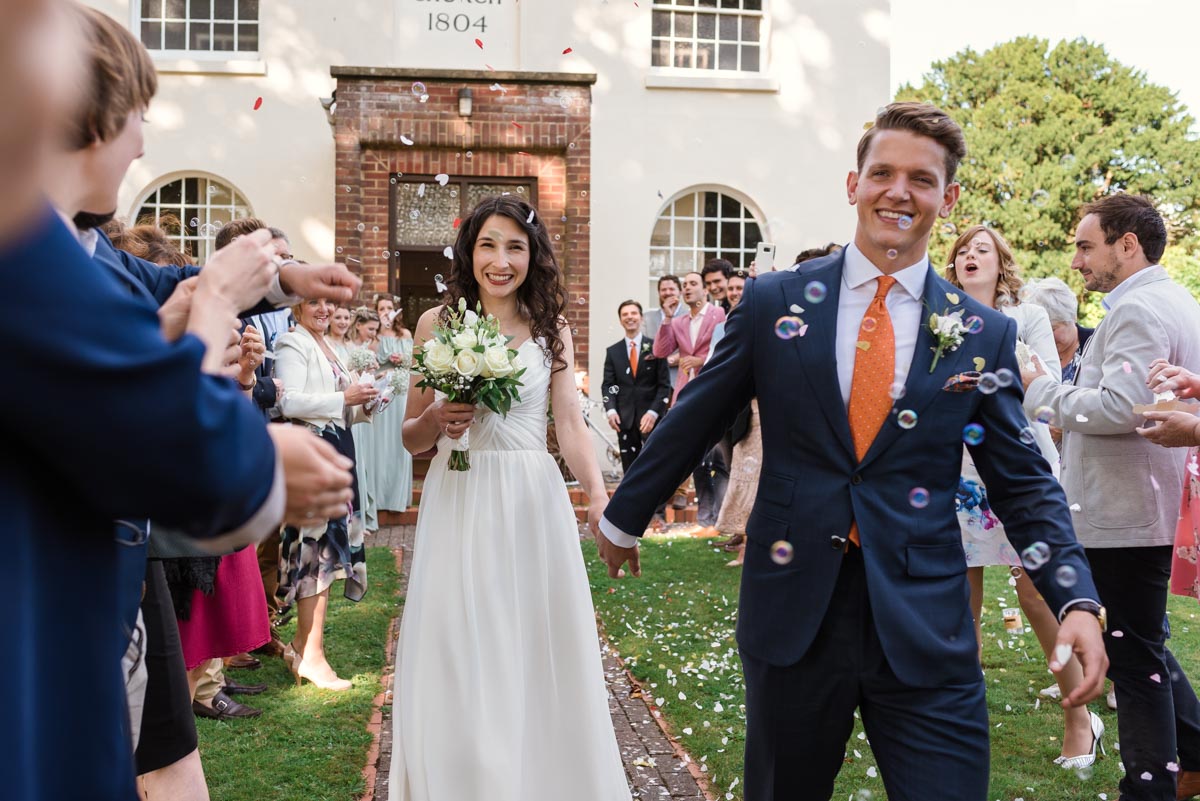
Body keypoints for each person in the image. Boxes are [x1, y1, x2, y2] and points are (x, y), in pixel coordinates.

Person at [599, 102, 1107, 801]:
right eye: (883, 173)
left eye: (922, 179)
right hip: (794, 611)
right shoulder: (775, 301)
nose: (899, 191)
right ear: (853, 184)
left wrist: (1075, 594)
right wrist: (624, 515)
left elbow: (1021, 479)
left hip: (926, 615)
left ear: (947, 197)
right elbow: (698, 413)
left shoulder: (979, 332)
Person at [1, 4, 354, 797]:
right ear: (83, 110)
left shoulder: (60, 251)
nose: (144, 144)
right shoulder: (26, 250)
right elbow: (191, 456)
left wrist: (267, 284)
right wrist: (215, 323)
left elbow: (154, 303)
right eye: (137, 117)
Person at [390, 195, 630, 800]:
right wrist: (440, 415)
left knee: (529, 637)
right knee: (458, 639)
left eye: (515, 247)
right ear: (469, 253)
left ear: (534, 256)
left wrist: (599, 497)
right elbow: (411, 437)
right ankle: (468, 777)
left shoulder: (552, 329)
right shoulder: (434, 327)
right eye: (488, 245)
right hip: (460, 494)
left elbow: (570, 426)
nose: (501, 260)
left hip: (530, 499)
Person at [1021, 193, 1200, 801]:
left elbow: (1126, 410)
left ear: (1128, 244)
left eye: (1085, 245)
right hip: (1140, 507)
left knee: (1133, 658)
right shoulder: (1165, 298)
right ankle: (1196, 755)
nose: (1077, 261)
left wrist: (1040, 390)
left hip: (1128, 511)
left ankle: (1146, 788)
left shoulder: (1139, 310)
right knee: (1139, 638)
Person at [943, 224, 1099, 765]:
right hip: (956, 473)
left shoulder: (1026, 317)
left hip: (1016, 469)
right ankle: (962, 725)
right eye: (962, 250)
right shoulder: (939, 316)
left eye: (980, 248)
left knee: (1036, 596)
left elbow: (1045, 399)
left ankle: (1080, 716)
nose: (969, 255)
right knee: (961, 604)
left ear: (1001, 261)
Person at [275, 297, 377, 690]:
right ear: (296, 306)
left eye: (326, 303)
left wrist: (364, 403)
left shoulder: (328, 346)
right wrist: (342, 399)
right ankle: (312, 658)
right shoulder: (292, 343)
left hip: (337, 449)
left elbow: (342, 406)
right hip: (310, 457)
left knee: (330, 554)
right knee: (313, 555)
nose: (322, 309)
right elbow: (287, 401)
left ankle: (303, 645)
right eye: (312, 302)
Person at [602, 300, 672, 475]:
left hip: (651, 420)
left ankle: (657, 503)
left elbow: (664, 385)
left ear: (641, 318)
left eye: (633, 313)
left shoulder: (656, 348)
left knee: (655, 468)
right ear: (620, 320)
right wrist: (611, 411)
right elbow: (609, 386)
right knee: (630, 471)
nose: (629, 317)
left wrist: (653, 412)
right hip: (624, 421)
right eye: (625, 314)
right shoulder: (613, 352)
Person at [365, 303, 415, 518]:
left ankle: (397, 497)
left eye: (389, 307)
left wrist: (402, 359)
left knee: (397, 442)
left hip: (400, 391)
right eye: (381, 308)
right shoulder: (374, 334)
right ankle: (378, 497)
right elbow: (368, 360)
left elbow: (415, 361)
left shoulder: (404, 333)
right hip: (381, 390)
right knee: (379, 444)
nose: (385, 311)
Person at [1023, 276, 1094, 385]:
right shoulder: (1028, 353)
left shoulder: (1097, 343)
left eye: (1052, 329)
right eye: (1038, 329)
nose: (1044, 335)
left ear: (1072, 317)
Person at [642, 274, 686, 389]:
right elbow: (644, 350)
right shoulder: (647, 319)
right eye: (663, 290)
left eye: (671, 289)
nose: (667, 292)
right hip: (653, 384)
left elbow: (694, 350)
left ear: (680, 292)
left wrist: (666, 361)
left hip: (681, 382)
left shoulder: (690, 317)